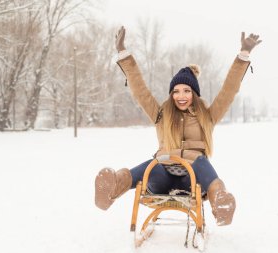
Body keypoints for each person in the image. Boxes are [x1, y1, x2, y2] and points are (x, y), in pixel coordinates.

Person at [95, 26, 262, 226]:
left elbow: (229, 90)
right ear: (171, 94)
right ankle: (113, 185)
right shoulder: (161, 114)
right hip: (162, 177)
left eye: (186, 91)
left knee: (201, 162)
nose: (180, 96)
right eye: (176, 91)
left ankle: (220, 200)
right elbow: (139, 88)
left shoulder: (207, 116)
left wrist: (244, 55)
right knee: (152, 164)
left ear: (194, 94)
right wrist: (123, 52)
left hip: (192, 181)